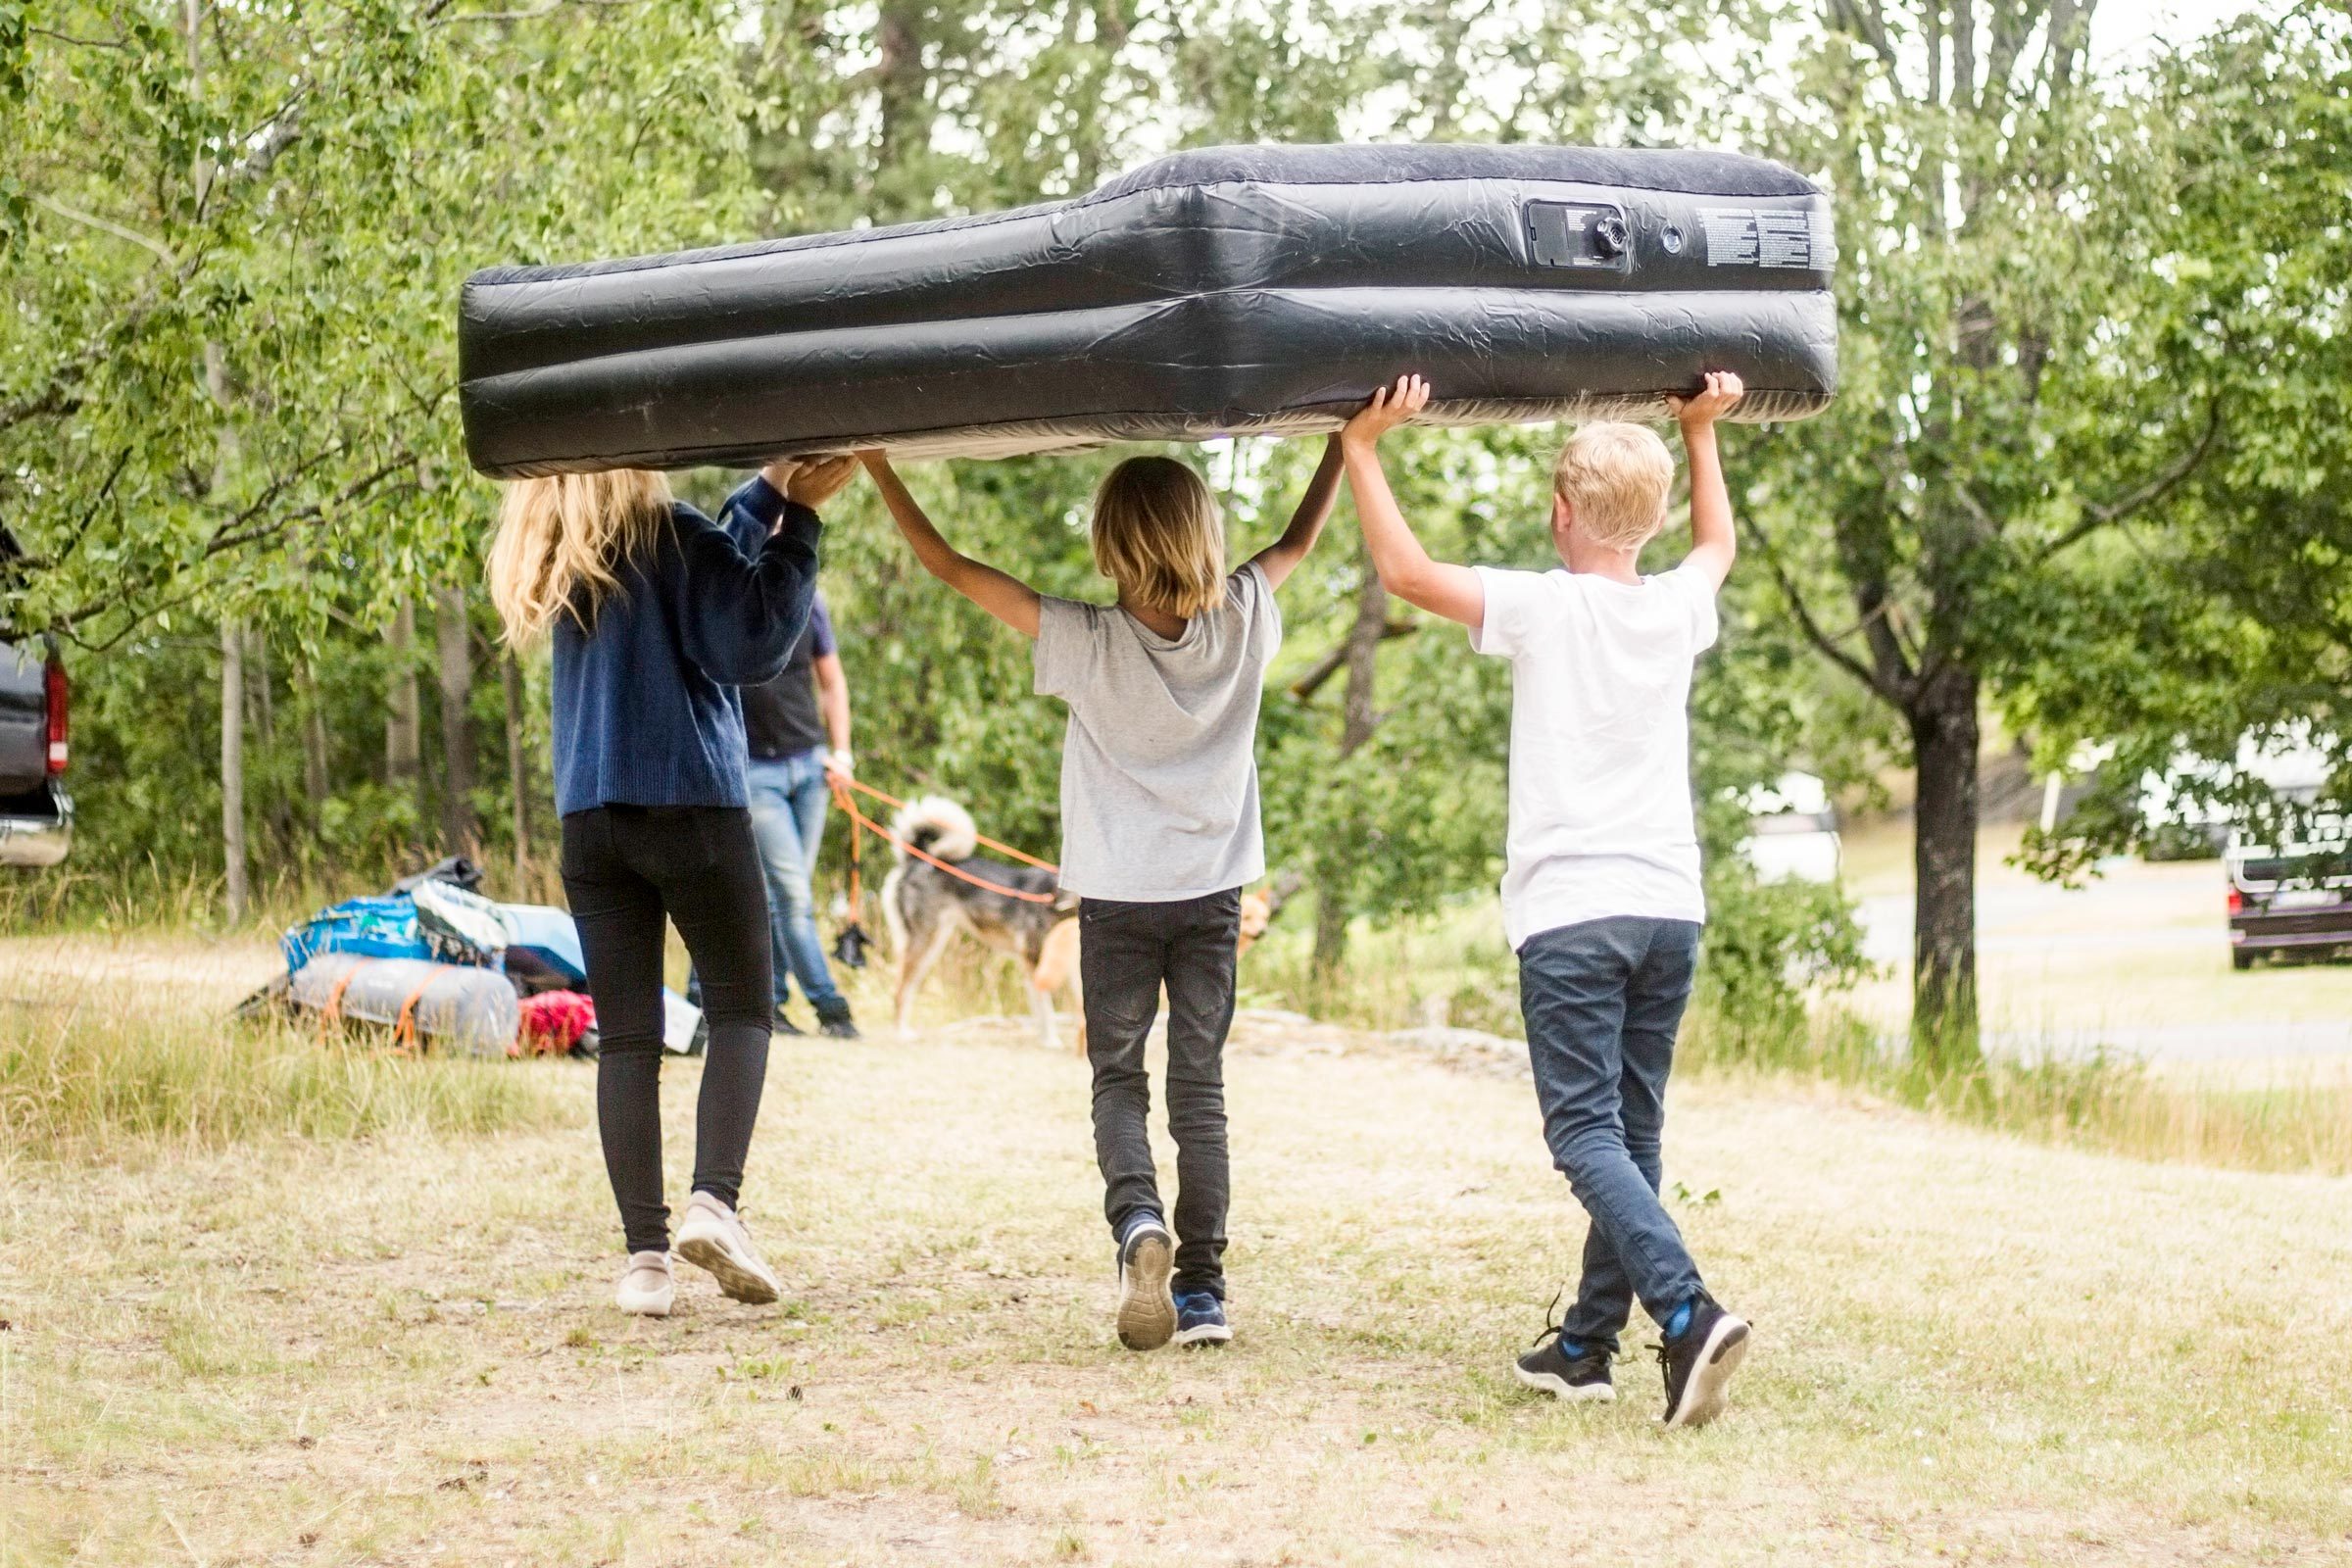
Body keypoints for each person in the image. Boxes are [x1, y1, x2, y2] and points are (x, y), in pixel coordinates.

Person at [858, 438, 1343, 1351]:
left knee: (1117, 1079)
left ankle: (1137, 1227)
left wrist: (881, 467)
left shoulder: (1083, 639)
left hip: (1116, 903)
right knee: (1199, 1089)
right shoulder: (1245, 612)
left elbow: (950, 565)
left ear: (1108, 548)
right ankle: (1202, 1292)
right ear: (1204, 535)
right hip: (1212, 900)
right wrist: (1344, 446)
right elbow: (1299, 538)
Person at [1339, 372, 1752, 1428]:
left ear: (1560, 513)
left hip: (1576, 912)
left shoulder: (1542, 602)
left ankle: (1687, 1310)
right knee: (1632, 1130)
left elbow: (1403, 570)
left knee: (1582, 1134)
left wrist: (1362, 447)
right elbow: (1718, 550)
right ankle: (1584, 1346)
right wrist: (1702, 431)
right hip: (1669, 908)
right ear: (1647, 519)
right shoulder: (1673, 605)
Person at [488, 456, 858, 1317]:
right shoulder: (672, 536)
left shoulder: (566, 556)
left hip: (593, 817)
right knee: (739, 1010)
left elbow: (702, 578)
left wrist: (768, 490)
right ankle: (714, 1203)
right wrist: (799, 522)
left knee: (627, 1042)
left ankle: (645, 1265)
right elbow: (750, 642)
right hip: (691, 802)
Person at [730, 587, 861, 1039]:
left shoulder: (810, 602)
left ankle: (772, 1003)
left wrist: (841, 753)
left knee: (783, 897)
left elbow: (832, 682)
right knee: (793, 896)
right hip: (755, 773)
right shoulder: (729, 599)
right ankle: (832, 1009)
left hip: (809, 768)